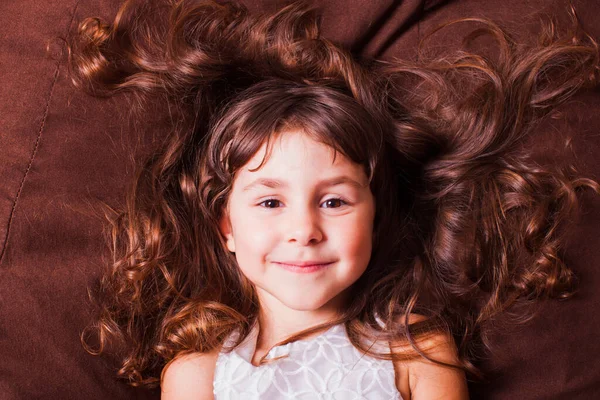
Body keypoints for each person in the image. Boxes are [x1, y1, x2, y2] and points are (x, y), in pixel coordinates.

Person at [67, 0, 599, 398]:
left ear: (375, 215)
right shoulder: (196, 375)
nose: (304, 230)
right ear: (225, 227)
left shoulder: (415, 353)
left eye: (335, 202)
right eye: (270, 203)